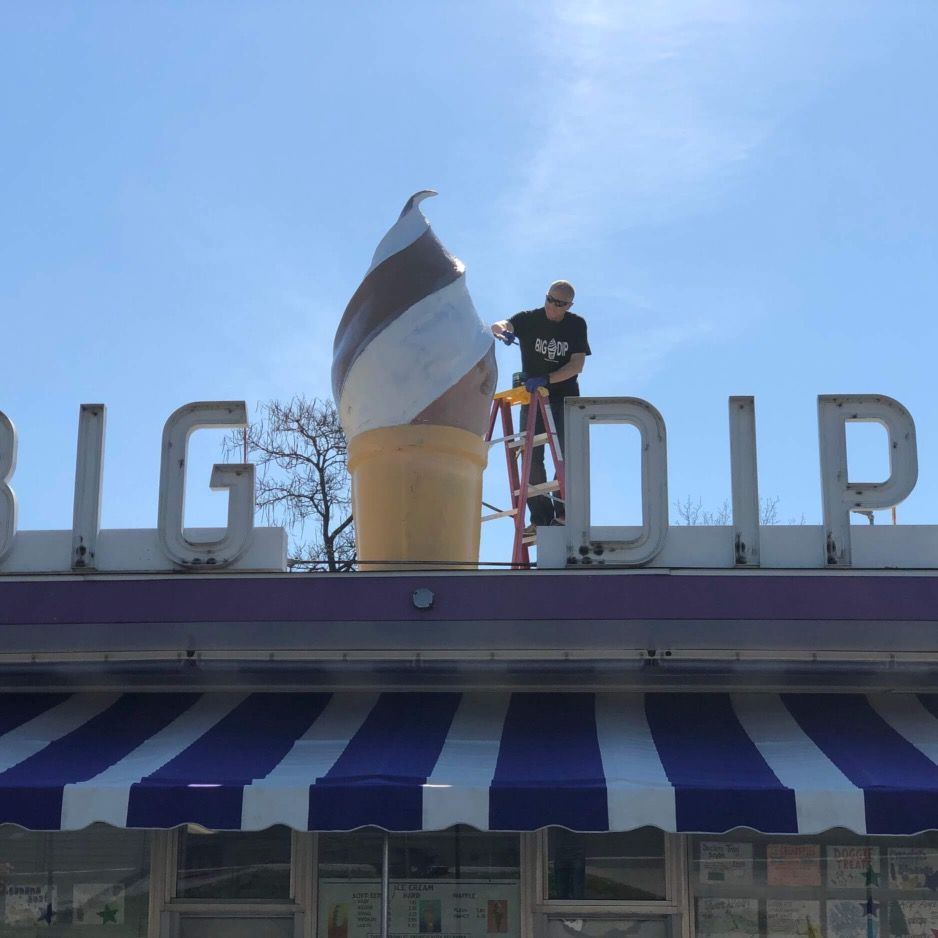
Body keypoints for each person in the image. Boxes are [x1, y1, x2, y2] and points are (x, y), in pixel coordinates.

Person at [491, 281, 590, 529]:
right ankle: (540, 519)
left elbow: (577, 365)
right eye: (549, 299)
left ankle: (564, 513)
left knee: (567, 455)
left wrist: (547, 378)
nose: (552, 306)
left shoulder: (576, 324)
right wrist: (504, 331)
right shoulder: (529, 319)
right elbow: (499, 324)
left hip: (565, 397)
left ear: (569, 305)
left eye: (559, 303)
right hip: (534, 399)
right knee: (532, 457)